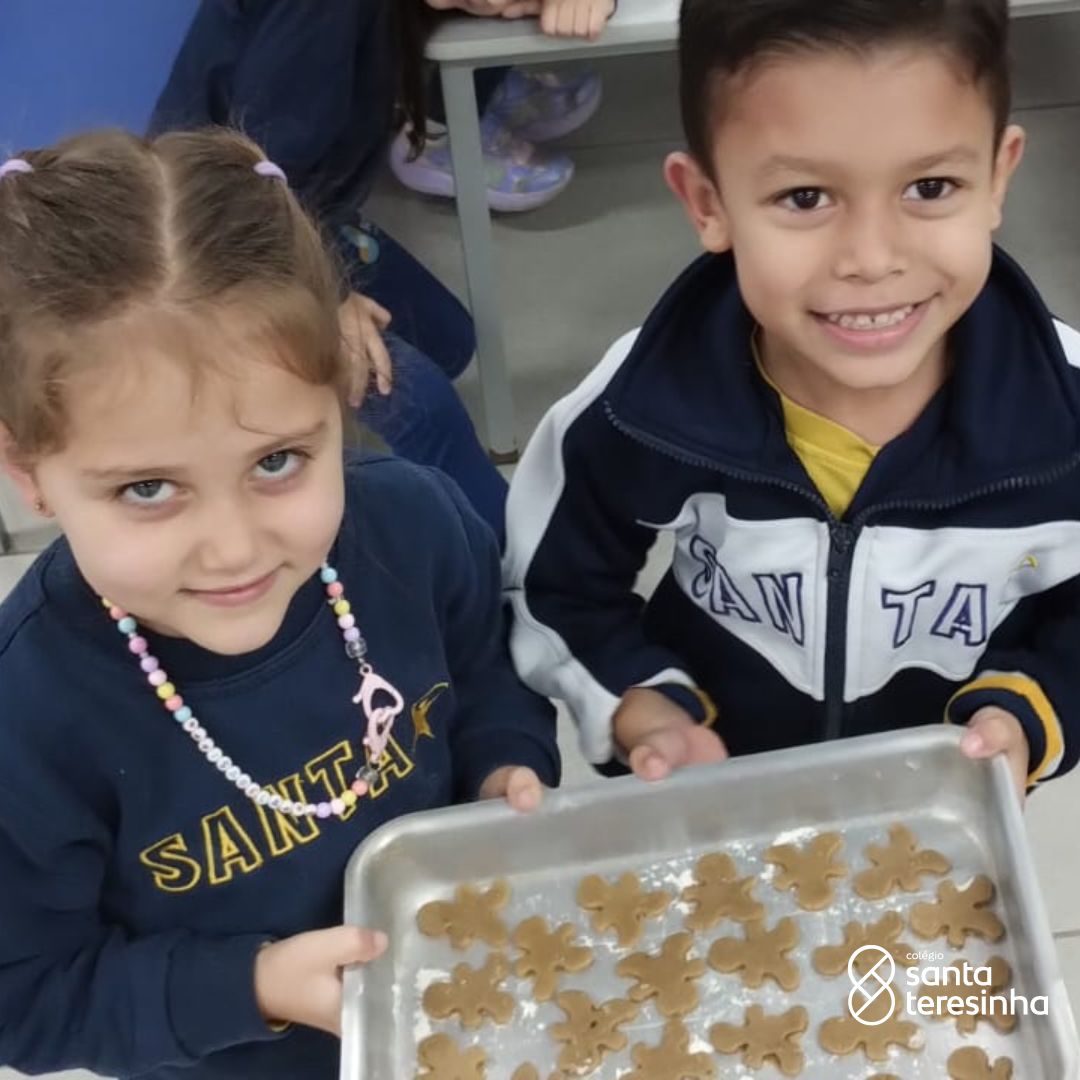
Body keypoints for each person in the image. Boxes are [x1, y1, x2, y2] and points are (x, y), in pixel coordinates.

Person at [0, 128, 559, 1079]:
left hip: (463, 1011)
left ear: (337, 399)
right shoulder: (30, 714)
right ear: (29, 474)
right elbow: (26, 999)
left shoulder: (413, 530)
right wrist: (252, 988)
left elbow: (485, 670)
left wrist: (505, 762)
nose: (233, 547)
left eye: (277, 461)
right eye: (146, 489)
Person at [504, 0, 1080, 803]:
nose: (872, 259)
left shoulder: (1066, 410)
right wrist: (638, 704)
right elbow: (554, 589)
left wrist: (1030, 713)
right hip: (720, 802)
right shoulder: (638, 407)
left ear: (999, 178)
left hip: (939, 816)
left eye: (931, 185)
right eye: (806, 198)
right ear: (707, 203)